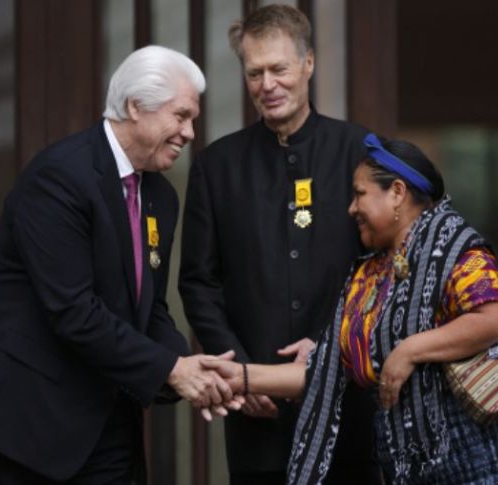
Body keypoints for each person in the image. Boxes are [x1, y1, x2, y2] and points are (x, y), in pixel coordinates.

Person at [0, 45, 239, 484]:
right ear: (137, 107)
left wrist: (191, 368)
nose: (190, 132)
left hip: (105, 414)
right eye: (181, 116)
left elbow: (150, 309)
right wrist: (173, 370)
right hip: (23, 420)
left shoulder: (160, 195)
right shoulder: (59, 179)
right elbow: (73, 311)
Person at [203, 134, 498, 484]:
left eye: (360, 194)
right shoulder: (367, 275)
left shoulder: (456, 249)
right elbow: (324, 373)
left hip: (486, 462)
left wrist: (409, 350)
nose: (352, 208)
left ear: (397, 193)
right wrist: (242, 377)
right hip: (412, 472)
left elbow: (491, 320)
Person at [178, 4, 379, 485]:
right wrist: (240, 374)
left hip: (347, 410)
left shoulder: (361, 151)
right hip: (259, 421)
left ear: (308, 64)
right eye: (255, 72)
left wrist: (336, 342)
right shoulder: (217, 166)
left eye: (279, 69)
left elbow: (386, 267)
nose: (267, 84)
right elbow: (198, 283)